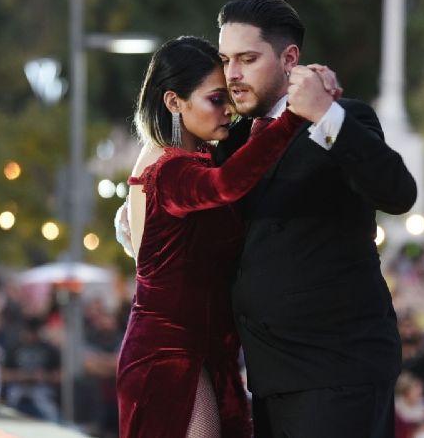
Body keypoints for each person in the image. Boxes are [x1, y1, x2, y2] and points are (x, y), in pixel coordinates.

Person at [114, 35, 340, 437]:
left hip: (205, 353)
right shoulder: (167, 169)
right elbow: (226, 186)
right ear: (173, 102)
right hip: (169, 356)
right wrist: (292, 116)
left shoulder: (188, 160)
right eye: (216, 99)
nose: (228, 110)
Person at [215, 0, 417, 438]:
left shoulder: (344, 119)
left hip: (339, 368)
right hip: (269, 375)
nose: (232, 74)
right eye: (226, 59)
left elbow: (399, 193)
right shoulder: (229, 141)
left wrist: (326, 114)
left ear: (290, 59)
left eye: (248, 59)